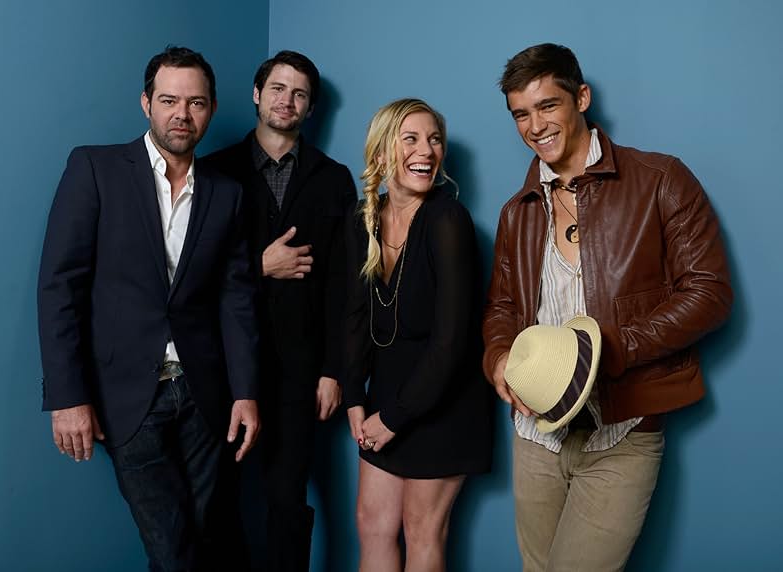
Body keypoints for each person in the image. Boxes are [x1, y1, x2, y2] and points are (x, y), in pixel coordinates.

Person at [483, 43, 732, 571]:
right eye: (520, 114)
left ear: (582, 98)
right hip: (536, 435)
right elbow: (502, 307)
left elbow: (710, 292)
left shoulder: (660, 180)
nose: (535, 125)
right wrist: (498, 359)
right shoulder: (517, 212)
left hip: (622, 430)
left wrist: (605, 352)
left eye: (547, 106)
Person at [38, 46, 259, 571]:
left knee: (201, 540)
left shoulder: (226, 194)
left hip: (207, 396)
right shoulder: (95, 168)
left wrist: (246, 392)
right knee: (172, 545)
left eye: (196, 103)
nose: (182, 114)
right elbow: (59, 287)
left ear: (210, 108)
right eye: (169, 100)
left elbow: (237, 299)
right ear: (146, 103)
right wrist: (68, 396)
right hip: (127, 396)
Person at [205, 50, 356, 571]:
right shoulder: (213, 172)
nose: (286, 100)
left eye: (298, 94)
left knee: (288, 500)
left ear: (310, 108)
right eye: (277, 88)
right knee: (218, 499)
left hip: (300, 371)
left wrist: (334, 370)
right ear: (256, 93)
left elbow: (343, 286)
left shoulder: (333, 179)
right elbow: (187, 273)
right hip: (221, 369)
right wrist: (258, 265)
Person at [344, 98, 493, 571]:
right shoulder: (364, 219)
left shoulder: (447, 220)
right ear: (383, 152)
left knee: (421, 528)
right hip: (386, 395)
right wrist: (354, 397)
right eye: (410, 138)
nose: (426, 150)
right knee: (371, 522)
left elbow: (452, 340)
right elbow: (353, 320)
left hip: (443, 400)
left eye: (434, 139)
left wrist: (393, 418)